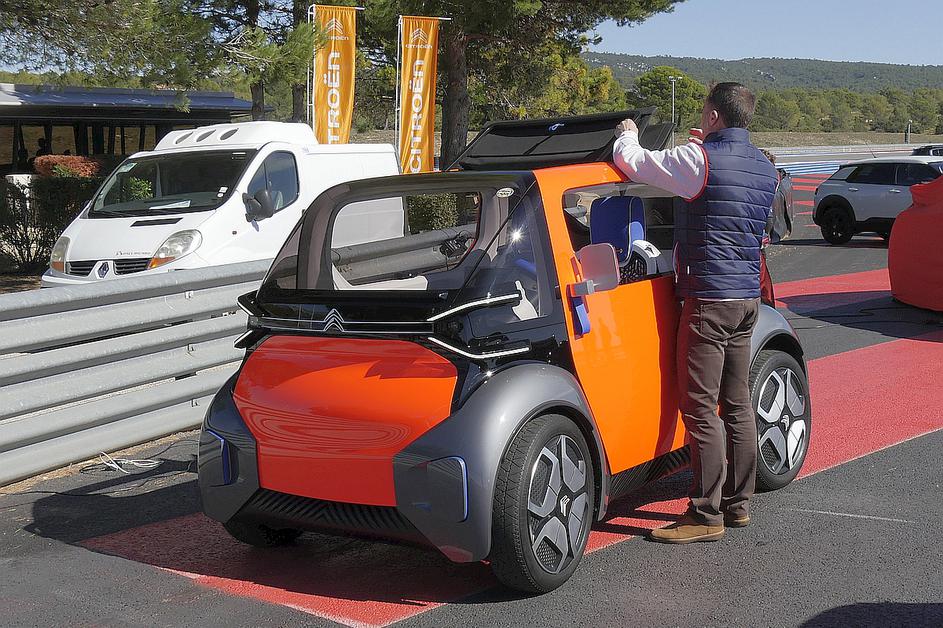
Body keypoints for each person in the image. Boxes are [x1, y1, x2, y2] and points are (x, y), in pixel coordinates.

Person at [612, 82, 778, 544]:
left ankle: (705, 514)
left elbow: (638, 163)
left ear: (713, 116)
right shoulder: (763, 165)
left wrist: (627, 135)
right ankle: (738, 505)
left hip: (707, 299)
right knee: (737, 403)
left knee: (700, 408)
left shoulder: (699, 159)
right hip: (746, 298)